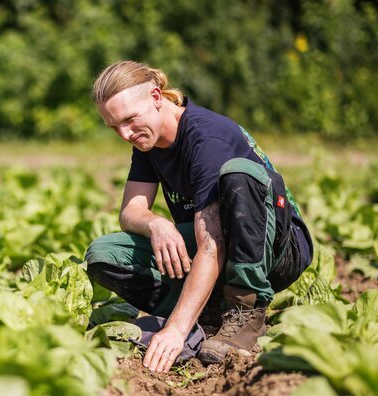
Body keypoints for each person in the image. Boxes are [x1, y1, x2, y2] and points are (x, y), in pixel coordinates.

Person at [84, 61, 313, 373]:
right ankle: (206, 313)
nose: (124, 134)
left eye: (128, 120)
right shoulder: (146, 140)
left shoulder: (206, 138)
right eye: (114, 127)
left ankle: (245, 310)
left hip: (278, 249)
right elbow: (131, 211)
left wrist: (175, 330)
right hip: (217, 244)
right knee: (105, 254)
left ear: (155, 96)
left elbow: (212, 244)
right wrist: (157, 224)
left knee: (238, 175)